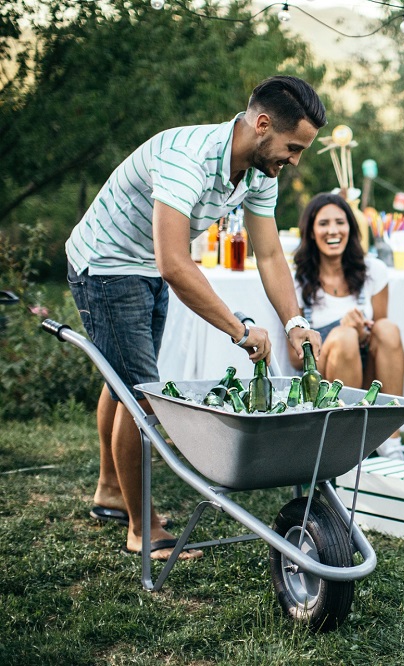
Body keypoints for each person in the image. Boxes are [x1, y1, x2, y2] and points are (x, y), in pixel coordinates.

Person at [66, 76, 327, 560]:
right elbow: (174, 262)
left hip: (145, 264)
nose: (294, 160)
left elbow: (269, 254)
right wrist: (239, 329)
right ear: (262, 124)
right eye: (293, 148)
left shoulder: (258, 172)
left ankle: (109, 488)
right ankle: (143, 528)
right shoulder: (188, 155)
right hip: (106, 264)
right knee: (141, 394)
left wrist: (294, 323)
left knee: (120, 376)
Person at [290, 192, 404, 459]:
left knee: (387, 328)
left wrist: (361, 332)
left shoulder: (373, 270)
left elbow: (379, 336)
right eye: (324, 223)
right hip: (321, 380)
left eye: (340, 222)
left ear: (351, 229)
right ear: (310, 232)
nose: (333, 230)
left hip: (367, 375)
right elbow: (296, 362)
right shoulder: (296, 279)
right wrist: (339, 331)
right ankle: (347, 446)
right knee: (342, 337)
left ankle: (391, 443)